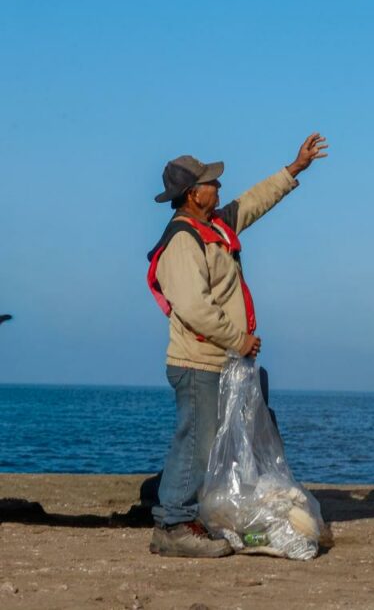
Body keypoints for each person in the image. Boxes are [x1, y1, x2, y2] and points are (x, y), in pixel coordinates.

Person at [146, 133, 328, 557]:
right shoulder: (182, 240)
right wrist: (240, 339)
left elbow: (253, 201)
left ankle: (188, 517)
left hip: (222, 360)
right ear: (193, 195)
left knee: (209, 443)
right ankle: (171, 524)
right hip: (199, 361)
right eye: (211, 183)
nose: (219, 187)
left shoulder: (215, 227)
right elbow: (195, 307)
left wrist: (295, 168)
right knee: (196, 440)